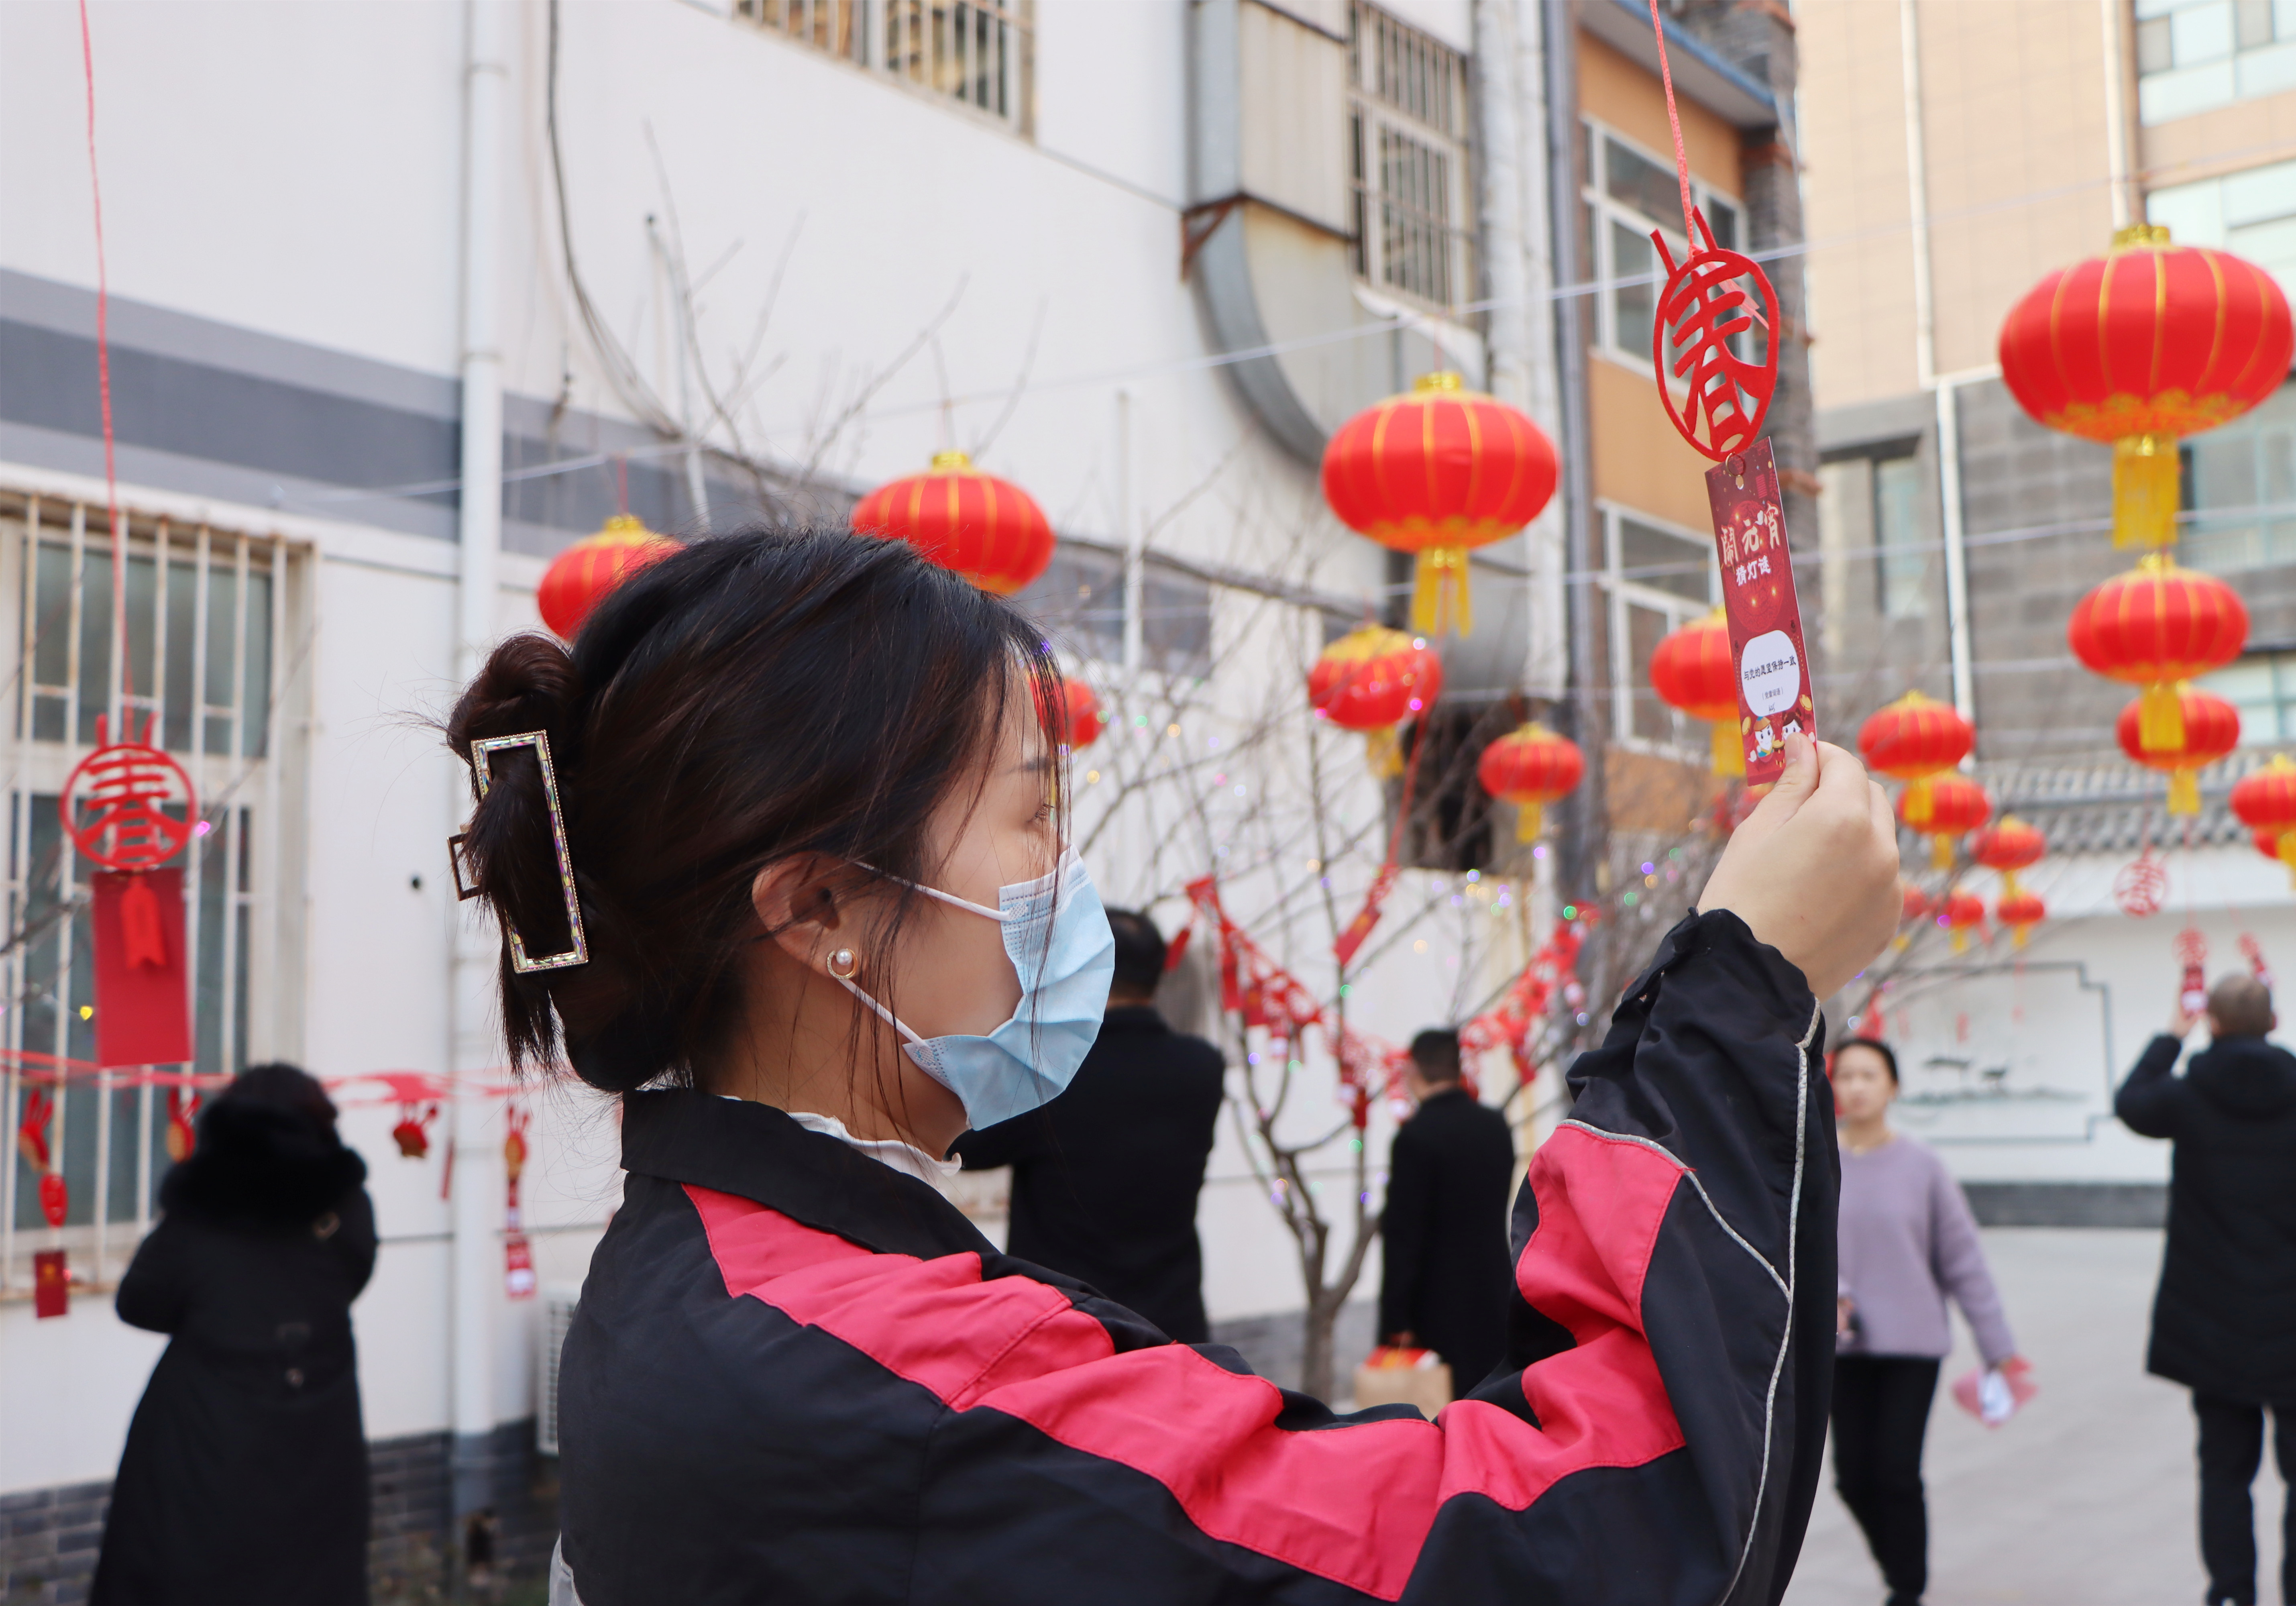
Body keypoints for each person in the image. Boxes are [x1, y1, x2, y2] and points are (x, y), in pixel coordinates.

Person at [447, 527, 1898, 1606]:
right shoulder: (870, 1364)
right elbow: (1602, 1542)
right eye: (1029, 816)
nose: (1066, 879)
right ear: (818, 909)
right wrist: (1740, 984)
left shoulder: (714, 1272)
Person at [2115, 973, 2296, 1606]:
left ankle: (2233, 1593)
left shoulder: (2186, 1101)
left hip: (2213, 1322)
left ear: (2211, 1023)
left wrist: (2167, 1039)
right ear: (2276, 1022)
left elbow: (2131, 1103)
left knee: (2223, 1472)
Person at [92, 1063, 377, 1606]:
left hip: (201, 1433)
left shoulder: (200, 1211)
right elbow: (353, 1277)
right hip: (320, 1426)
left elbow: (139, 1302)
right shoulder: (345, 1206)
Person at [952, 905, 1225, 1341]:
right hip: (1174, 1322)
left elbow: (960, 1144)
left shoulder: (1055, 1071)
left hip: (1068, 1327)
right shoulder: (1203, 1066)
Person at [1826, 1036, 2021, 1606]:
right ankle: (1898, 1567)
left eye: (1869, 1076)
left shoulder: (1923, 1168)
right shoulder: (1817, 1166)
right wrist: (1832, 1294)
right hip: (1839, 1346)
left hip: (1912, 1345)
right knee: (1851, 1478)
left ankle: (1907, 1589)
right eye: (1846, 1077)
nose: (1856, 1087)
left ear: (1893, 1088)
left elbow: (1962, 1259)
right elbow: (1798, 1250)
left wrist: (1996, 1344)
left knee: (1895, 1471)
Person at [1378, 1027, 1516, 1394]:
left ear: (1414, 1071)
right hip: (1493, 1289)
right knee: (1494, 1406)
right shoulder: (1495, 1126)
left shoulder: (1415, 1137)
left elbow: (1404, 1234)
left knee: (1445, 1419)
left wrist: (1396, 1316)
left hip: (1436, 1304)